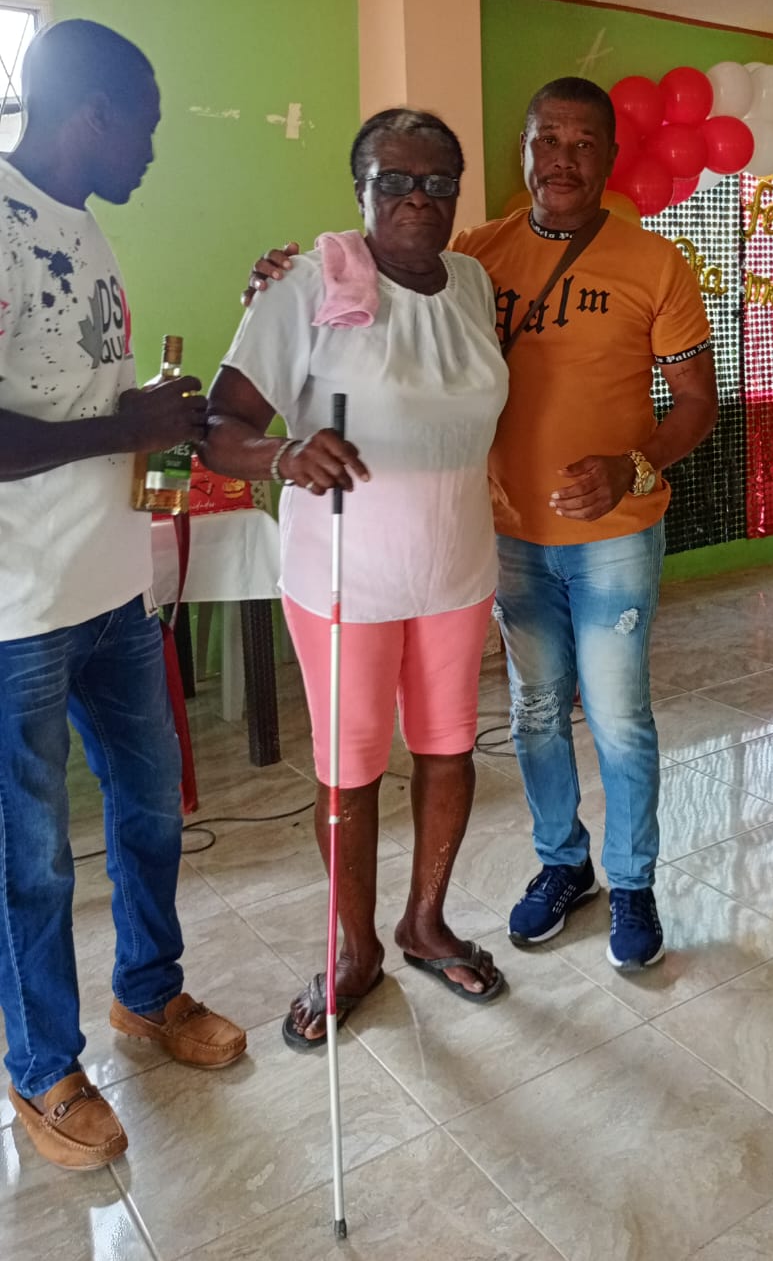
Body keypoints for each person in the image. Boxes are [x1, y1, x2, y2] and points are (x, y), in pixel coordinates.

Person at [245, 78, 718, 971]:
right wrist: (284, 279)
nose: (563, 159)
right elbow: (385, 276)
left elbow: (699, 399)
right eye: (547, 140)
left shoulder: (656, 262)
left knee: (618, 716)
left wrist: (634, 464)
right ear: (523, 152)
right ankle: (562, 864)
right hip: (503, 534)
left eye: (584, 142)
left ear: (611, 157)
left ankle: (633, 880)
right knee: (534, 713)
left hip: (614, 535)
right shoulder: (475, 256)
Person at [206, 108, 509, 1045]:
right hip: (345, 577)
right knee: (350, 769)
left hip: (457, 566)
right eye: (395, 181)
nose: (419, 199)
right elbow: (218, 427)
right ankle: (353, 949)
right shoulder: (305, 284)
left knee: (450, 747)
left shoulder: (473, 282)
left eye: (439, 182)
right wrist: (285, 454)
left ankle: (425, 923)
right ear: (361, 189)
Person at [0, 19, 246, 1173]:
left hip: (112, 589)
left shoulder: (86, 227)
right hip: (15, 611)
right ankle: (42, 1066)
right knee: (31, 858)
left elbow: (72, 397)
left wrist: (147, 409)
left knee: (150, 810)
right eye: (143, 126)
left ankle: (148, 994)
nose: (150, 150)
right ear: (91, 113)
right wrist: (119, 424)